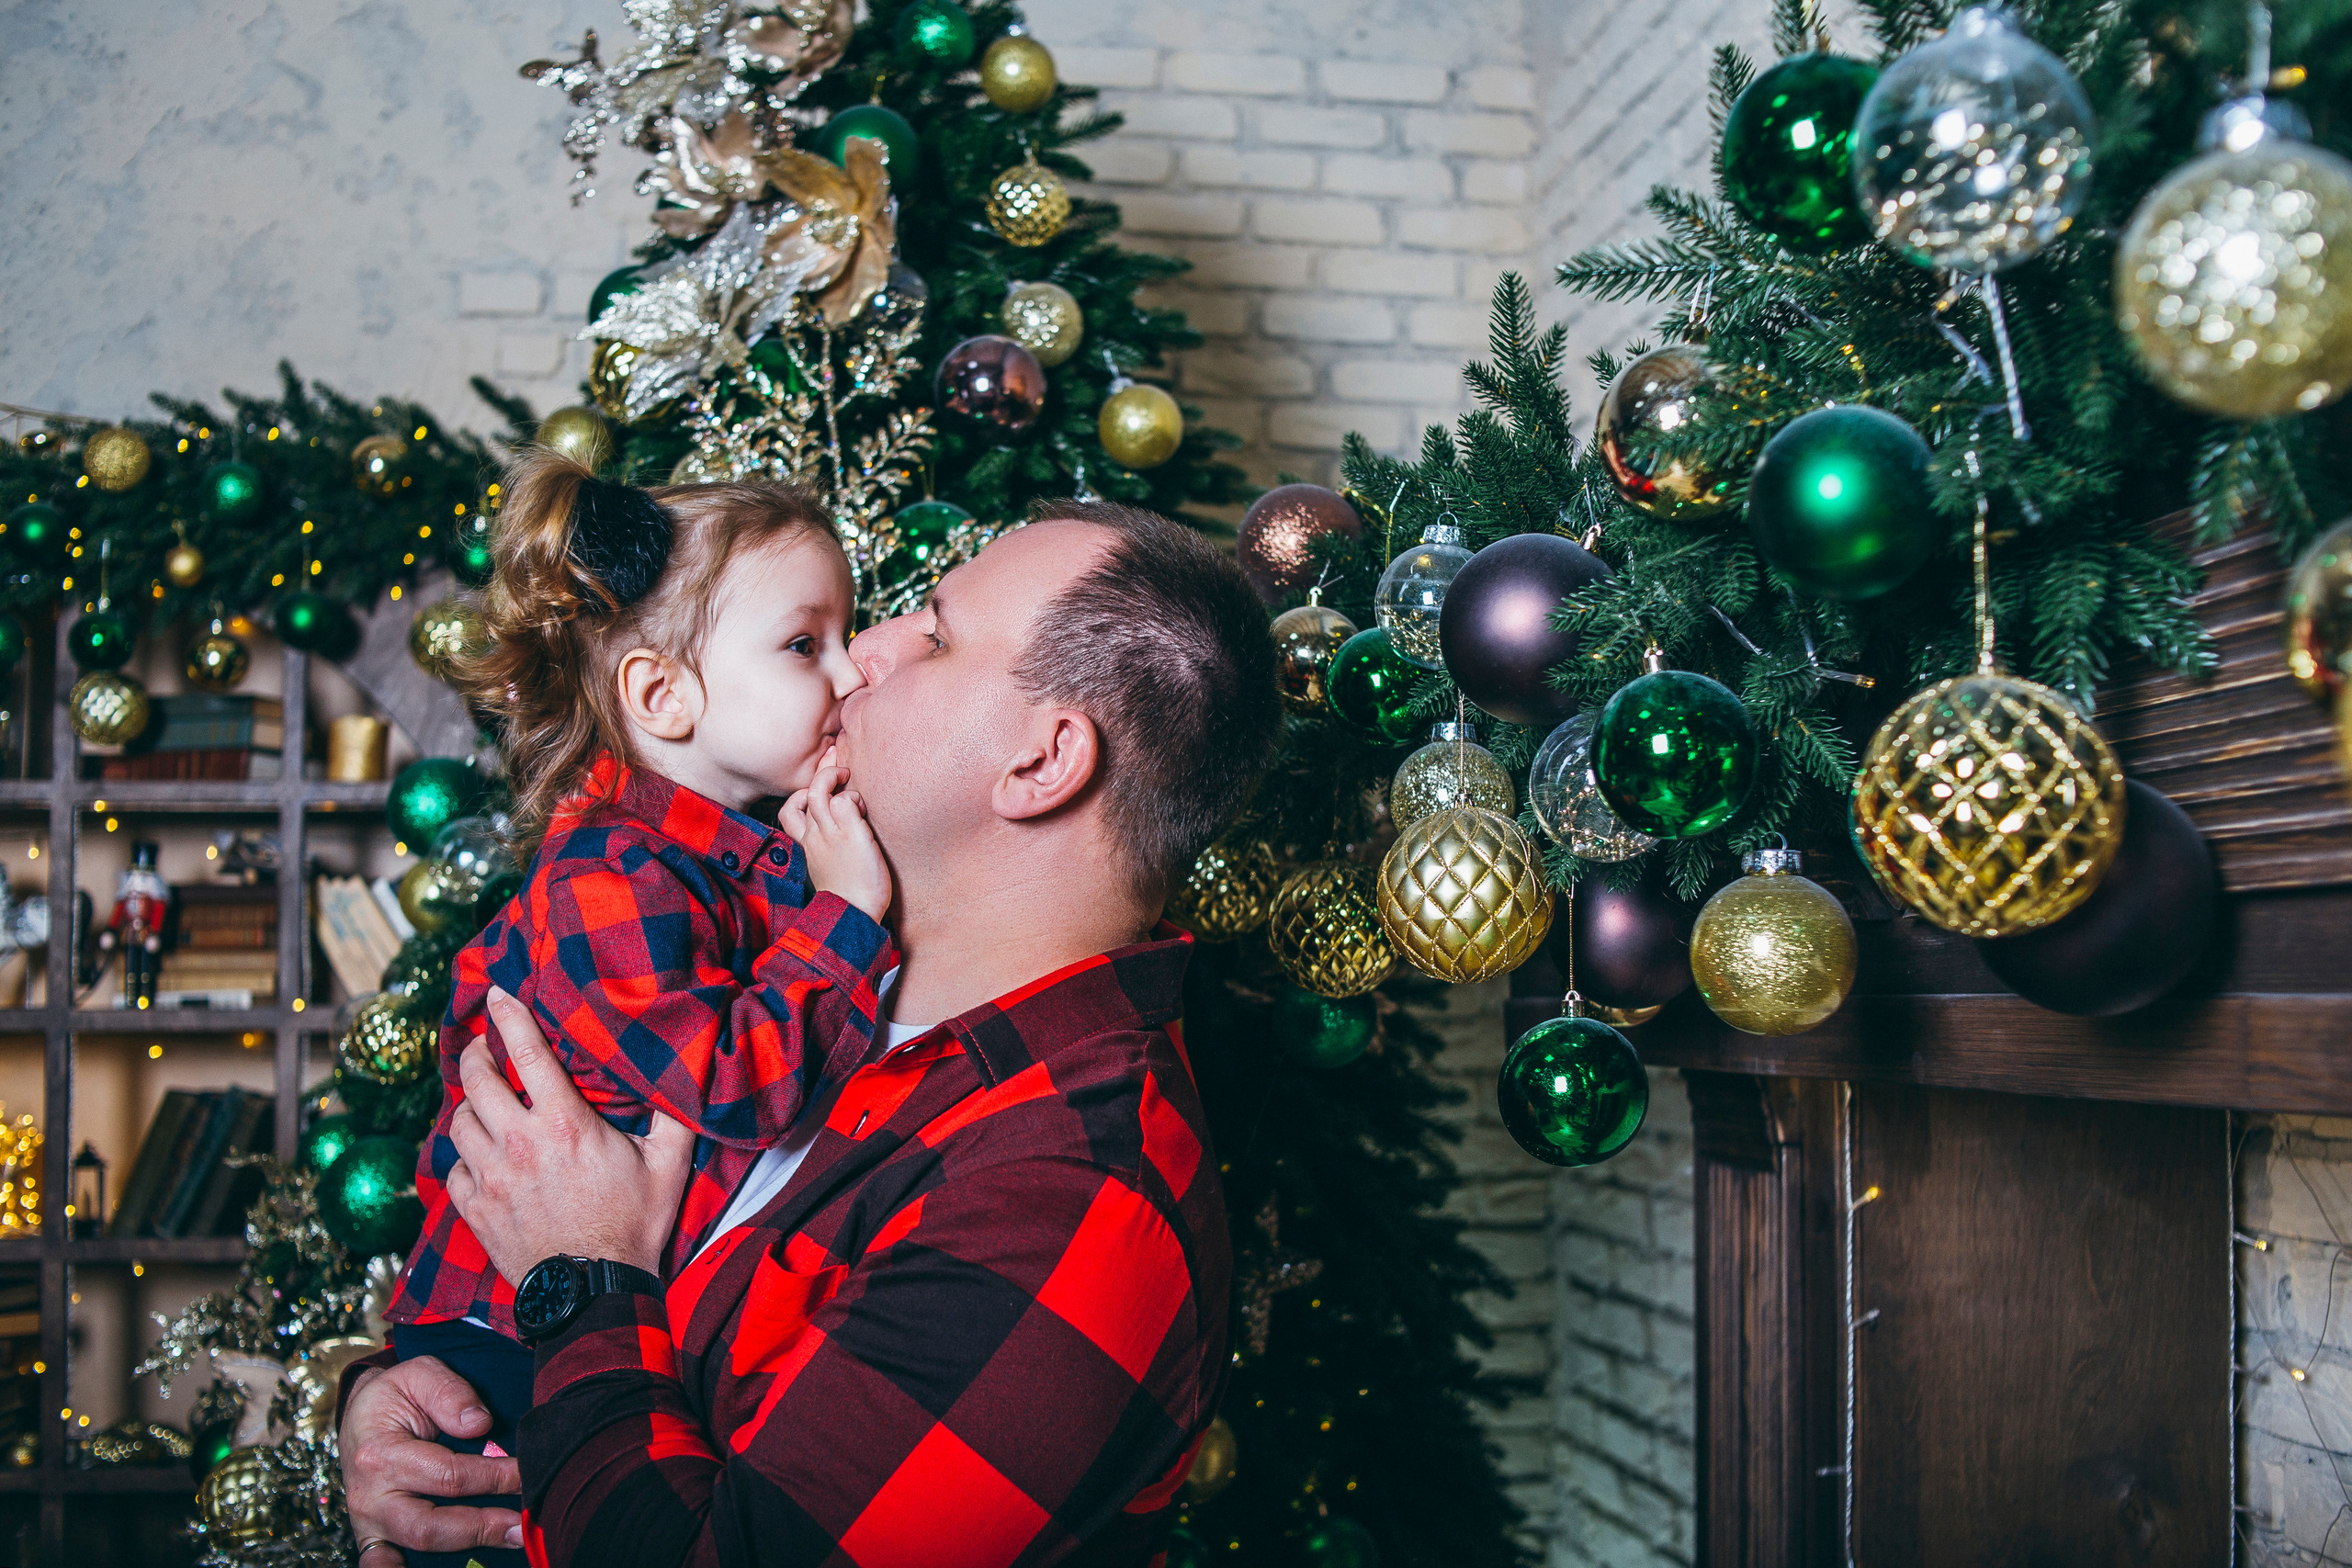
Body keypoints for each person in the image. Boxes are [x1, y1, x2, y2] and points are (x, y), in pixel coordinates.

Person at [341, 501, 1281, 1567]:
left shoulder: (1078, 1193)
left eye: (931, 632)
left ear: (1041, 762)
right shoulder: (793, 972)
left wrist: (579, 1276)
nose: (868, 654)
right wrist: (404, 1404)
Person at [382, 453, 898, 1568]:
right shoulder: (611, 871)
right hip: (507, 1340)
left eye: (847, 635)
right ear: (661, 694)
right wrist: (852, 915)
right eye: (806, 644)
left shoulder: (739, 860)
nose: (854, 674)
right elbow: (733, 1086)